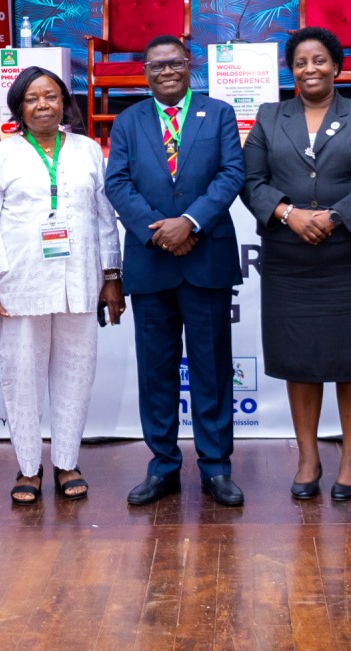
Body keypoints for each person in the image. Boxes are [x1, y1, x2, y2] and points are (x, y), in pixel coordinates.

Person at [241, 27, 351, 500]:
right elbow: (251, 180)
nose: (311, 69)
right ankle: (307, 456)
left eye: (320, 60)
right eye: (301, 62)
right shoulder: (270, 118)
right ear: (292, 70)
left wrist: (333, 218)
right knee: (299, 360)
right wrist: (289, 214)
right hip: (291, 260)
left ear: (337, 66)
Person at [0, 67, 123, 503]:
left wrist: (111, 276)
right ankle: (28, 466)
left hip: (79, 279)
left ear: (64, 103)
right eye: (32, 98)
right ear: (19, 107)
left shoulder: (88, 149)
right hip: (18, 282)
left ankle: (66, 461)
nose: (43, 105)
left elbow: (103, 217)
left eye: (51, 96)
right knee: (21, 376)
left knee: (76, 372)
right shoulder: (1, 155)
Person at [104, 35, 247, 507]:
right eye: (155, 65)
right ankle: (163, 465)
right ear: (144, 72)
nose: (165, 71)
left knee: (211, 370)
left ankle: (216, 468)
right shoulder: (128, 121)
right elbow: (117, 183)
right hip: (151, 261)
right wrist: (158, 231)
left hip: (205, 259)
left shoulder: (219, 112)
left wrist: (189, 223)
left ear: (190, 66)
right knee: (156, 372)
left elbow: (231, 174)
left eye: (174, 63)